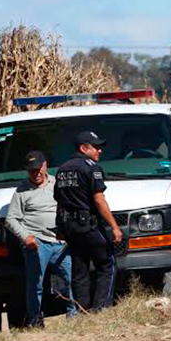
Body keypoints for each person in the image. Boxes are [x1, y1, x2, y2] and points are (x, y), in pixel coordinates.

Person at [54, 131, 124, 312]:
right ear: (83, 148)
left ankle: (83, 310)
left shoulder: (62, 169)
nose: (100, 151)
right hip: (89, 225)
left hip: (70, 227)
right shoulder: (91, 167)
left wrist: (60, 227)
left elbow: (59, 201)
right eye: (96, 147)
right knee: (107, 264)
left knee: (80, 269)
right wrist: (115, 227)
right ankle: (102, 309)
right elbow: (99, 200)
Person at [5, 150, 75, 327]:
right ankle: (35, 319)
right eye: (31, 171)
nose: (35, 173)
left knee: (70, 279)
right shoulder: (21, 191)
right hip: (37, 242)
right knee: (35, 283)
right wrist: (26, 237)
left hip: (60, 242)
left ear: (45, 166)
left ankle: (74, 317)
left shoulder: (57, 184)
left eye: (38, 169)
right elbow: (11, 219)